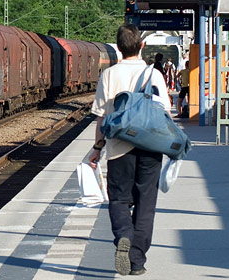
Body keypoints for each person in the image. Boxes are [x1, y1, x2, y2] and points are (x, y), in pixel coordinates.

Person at [89, 24, 171, 276]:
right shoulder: (153, 74)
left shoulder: (109, 74)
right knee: (146, 204)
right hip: (149, 146)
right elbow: (165, 112)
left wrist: (97, 148)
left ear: (118, 48)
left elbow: (102, 118)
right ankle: (137, 260)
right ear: (142, 46)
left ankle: (123, 234)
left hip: (118, 147)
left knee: (119, 198)